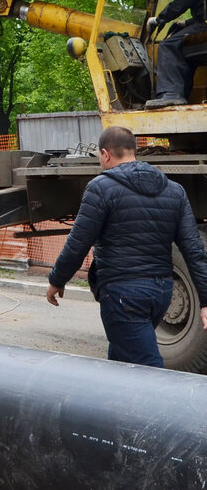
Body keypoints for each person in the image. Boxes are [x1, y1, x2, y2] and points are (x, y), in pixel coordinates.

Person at [46, 126, 207, 366]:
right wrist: (205, 300)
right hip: (161, 292)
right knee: (122, 358)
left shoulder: (100, 188)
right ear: (133, 150)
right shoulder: (174, 190)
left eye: (100, 158)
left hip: (123, 294)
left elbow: (78, 243)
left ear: (105, 154)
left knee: (147, 368)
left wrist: (57, 280)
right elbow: (194, 251)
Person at [145, 0, 207, 108]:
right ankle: (182, 94)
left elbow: (181, 2)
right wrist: (185, 24)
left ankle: (172, 94)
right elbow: (203, 10)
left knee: (168, 45)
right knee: (187, 53)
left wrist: (159, 18)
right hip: (203, 23)